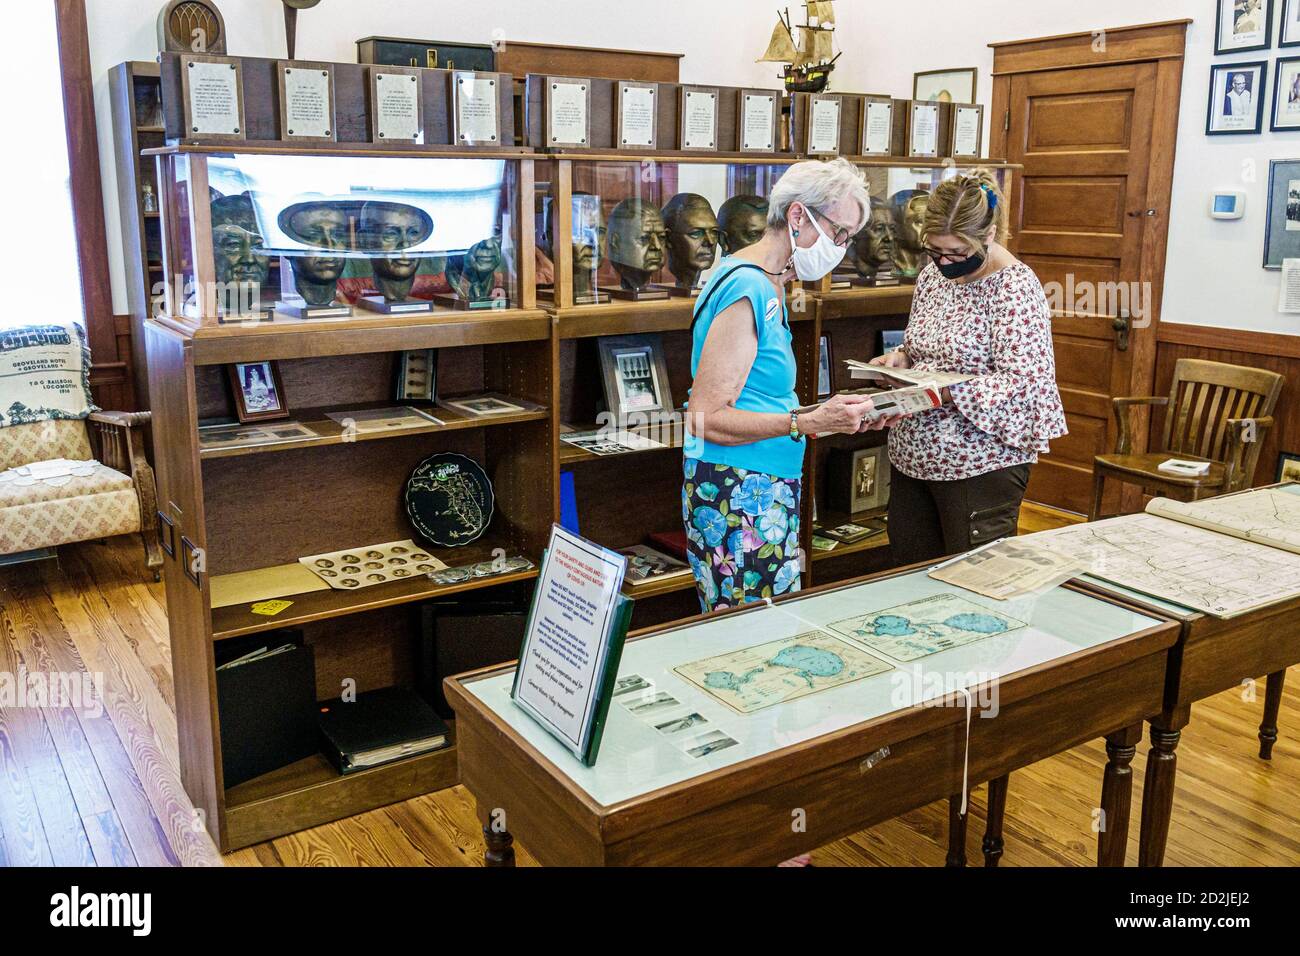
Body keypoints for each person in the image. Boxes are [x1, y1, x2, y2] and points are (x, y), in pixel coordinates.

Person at [684, 158, 896, 611]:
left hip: (760, 481)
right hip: (737, 488)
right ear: (797, 216)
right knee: (750, 634)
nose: (841, 247)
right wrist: (809, 419)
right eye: (839, 233)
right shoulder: (748, 288)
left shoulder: (770, 281)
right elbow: (706, 416)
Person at [870, 170, 1066, 564]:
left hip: (979, 464)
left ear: (989, 235)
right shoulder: (932, 276)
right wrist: (900, 358)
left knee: (973, 581)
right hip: (913, 456)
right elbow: (925, 344)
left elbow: (1024, 382)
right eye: (935, 251)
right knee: (908, 575)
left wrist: (942, 392)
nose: (944, 262)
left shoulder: (1015, 288)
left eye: (957, 254)